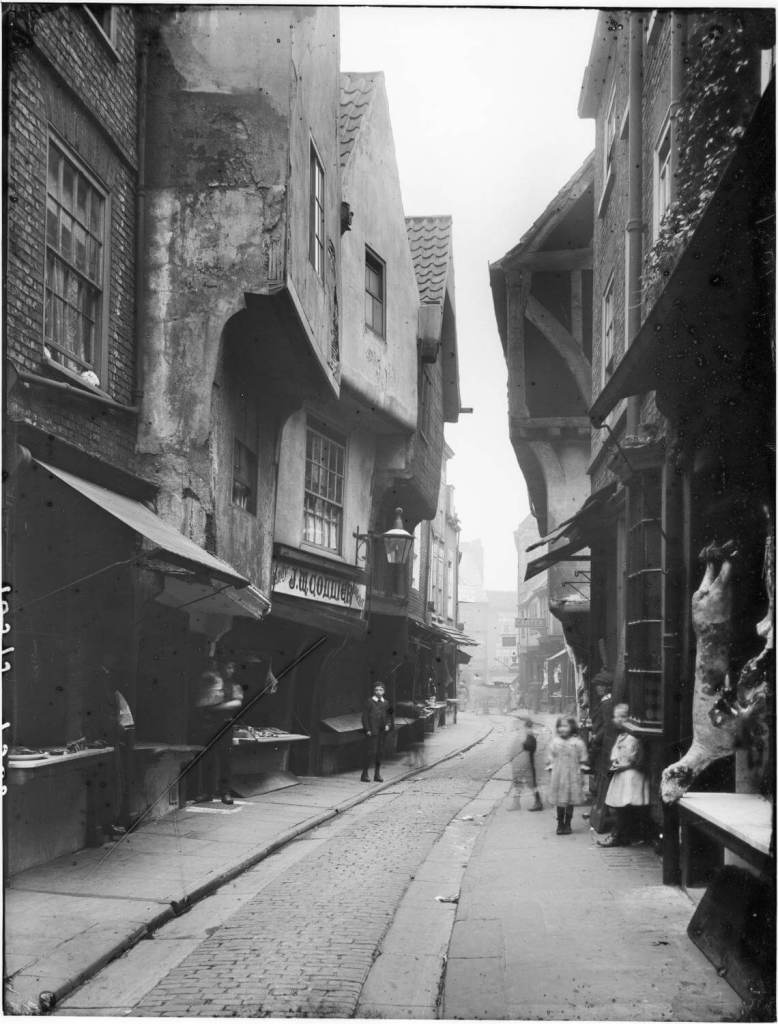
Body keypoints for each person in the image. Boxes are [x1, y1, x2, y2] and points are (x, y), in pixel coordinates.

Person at [597, 703, 650, 847]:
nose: (619, 720)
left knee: (626, 807)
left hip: (630, 777)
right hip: (621, 776)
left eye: (623, 716)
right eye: (616, 716)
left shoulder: (633, 738)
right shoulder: (622, 736)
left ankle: (620, 835)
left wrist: (624, 765)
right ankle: (623, 835)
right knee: (622, 807)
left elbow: (639, 759)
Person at [192, 657, 242, 804]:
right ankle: (207, 792)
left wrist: (216, 707)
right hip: (208, 725)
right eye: (227, 667)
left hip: (225, 725)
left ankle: (225, 792)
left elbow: (237, 702)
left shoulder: (234, 686)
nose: (230, 671)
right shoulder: (210, 681)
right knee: (208, 759)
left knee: (225, 760)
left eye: (232, 668)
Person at [545, 715, 589, 835]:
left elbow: (583, 758)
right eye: (560, 726)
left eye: (565, 726)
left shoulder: (577, 742)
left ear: (572, 727)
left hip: (573, 775)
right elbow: (550, 757)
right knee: (560, 800)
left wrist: (582, 772)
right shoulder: (555, 742)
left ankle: (568, 823)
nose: (562, 729)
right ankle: (560, 823)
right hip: (559, 775)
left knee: (570, 800)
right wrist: (551, 768)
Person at [587, 670, 616, 833]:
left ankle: (602, 813)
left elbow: (606, 727)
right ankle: (597, 810)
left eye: (600, 686)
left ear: (606, 688)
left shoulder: (607, 703)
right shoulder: (606, 702)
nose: (597, 688)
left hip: (603, 746)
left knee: (602, 778)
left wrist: (596, 738)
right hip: (601, 744)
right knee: (599, 778)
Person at [510, 718, 543, 811]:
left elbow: (529, 748)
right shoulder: (529, 736)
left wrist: (522, 744)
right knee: (519, 784)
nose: (526, 730)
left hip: (528, 765)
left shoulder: (531, 737)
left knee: (532, 785)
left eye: (527, 728)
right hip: (524, 765)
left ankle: (538, 803)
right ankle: (516, 804)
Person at [361, 682, 391, 782]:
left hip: (381, 731)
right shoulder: (369, 702)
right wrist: (367, 729)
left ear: (384, 691)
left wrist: (387, 724)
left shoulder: (386, 703)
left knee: (379, 753)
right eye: (376, 690)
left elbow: (389, 716)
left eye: (381, 690)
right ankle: (364, 774)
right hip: (372, 731)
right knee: (370, 752)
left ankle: (377, 774)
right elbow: (364, 717)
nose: (378, 691)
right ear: (374, 691)